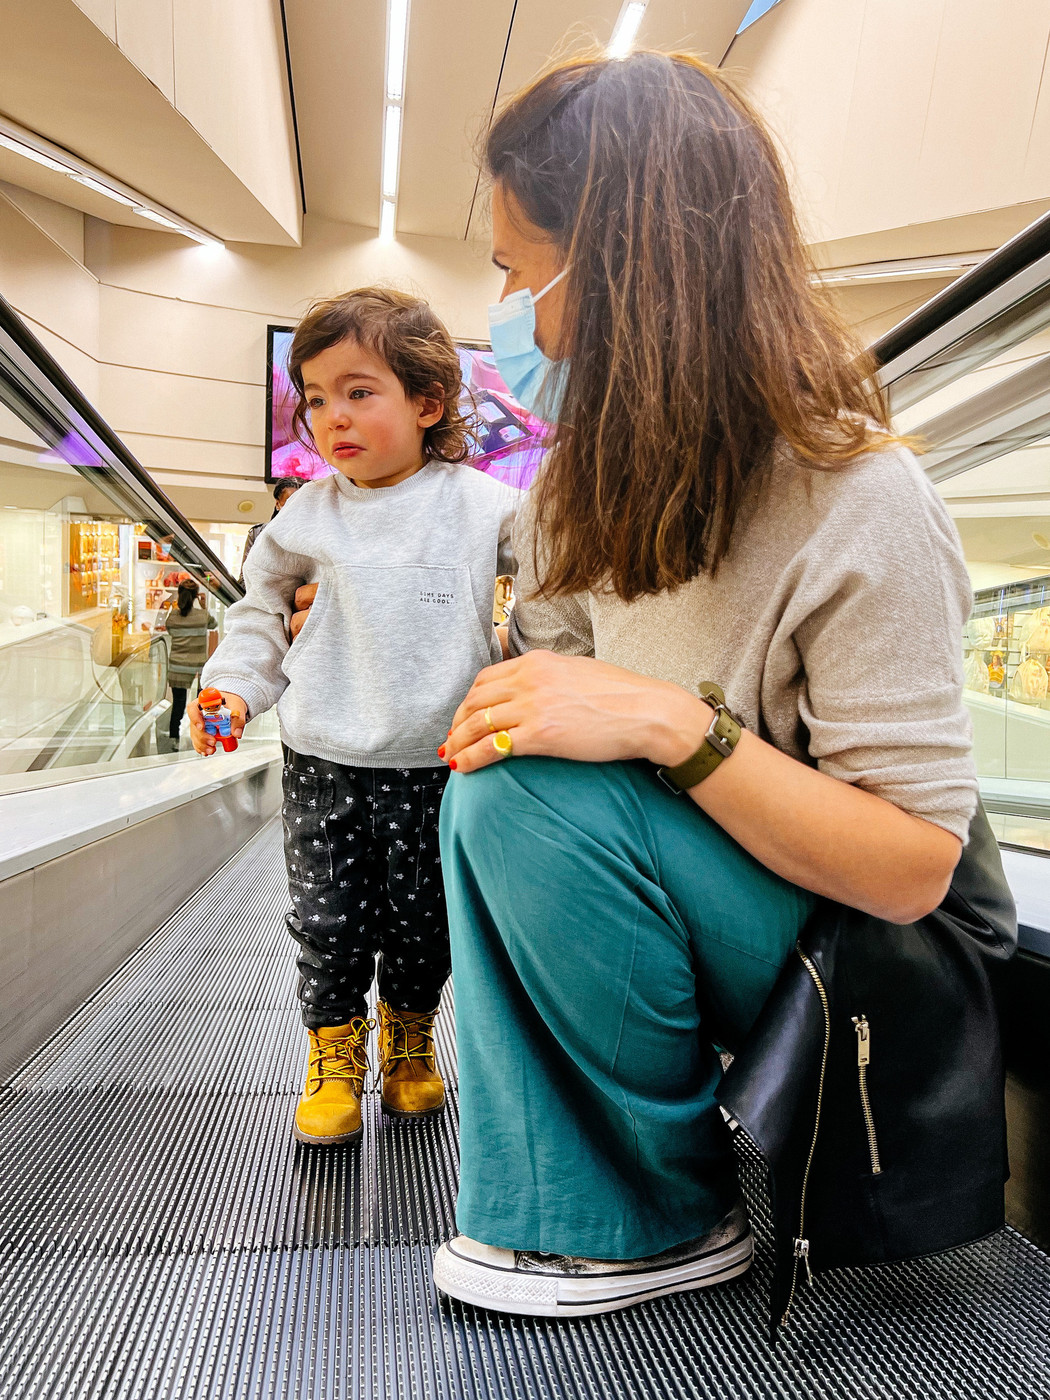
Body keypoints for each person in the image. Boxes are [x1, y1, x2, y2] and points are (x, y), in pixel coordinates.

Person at [415, 51, 981, 1318]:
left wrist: (674, 722)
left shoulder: (859, 499)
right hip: (729, 909)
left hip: (867, 954)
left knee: (531, 797)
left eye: (517, 269)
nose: (504, 309)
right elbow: (550, 705)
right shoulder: (575, 497)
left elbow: (909, 870)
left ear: (620, 268)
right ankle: (575, 1187)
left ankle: (664, 1214)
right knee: (504, 776)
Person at [191, 289, 518, 1148]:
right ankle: (334, 1055)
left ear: (427, 402)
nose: (331, 417)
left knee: (425, 921)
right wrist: (231, 690)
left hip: (441, 757)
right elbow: (259, 613)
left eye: (358, 391)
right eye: (316, 398)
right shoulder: (307, 513)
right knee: (329, 917)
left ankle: (411, 1046)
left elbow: (561, 602)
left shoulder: (485, 506)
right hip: (325, 754)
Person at [159, 577, 216, 747]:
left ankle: (174, 738)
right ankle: (203, 737)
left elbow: (169, 628)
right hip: (198, 667)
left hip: (177, 666)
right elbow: (213, 624)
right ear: (195, 596)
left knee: (178, 705)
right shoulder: (202, 616)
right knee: (202, 705)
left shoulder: (173, 617)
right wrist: (204, 606)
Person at [240, 478, 301, 583]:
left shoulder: (311, 537)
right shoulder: (257, 533)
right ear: (278, 504)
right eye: (288, 502)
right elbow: (244, 579)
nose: (294, 507)